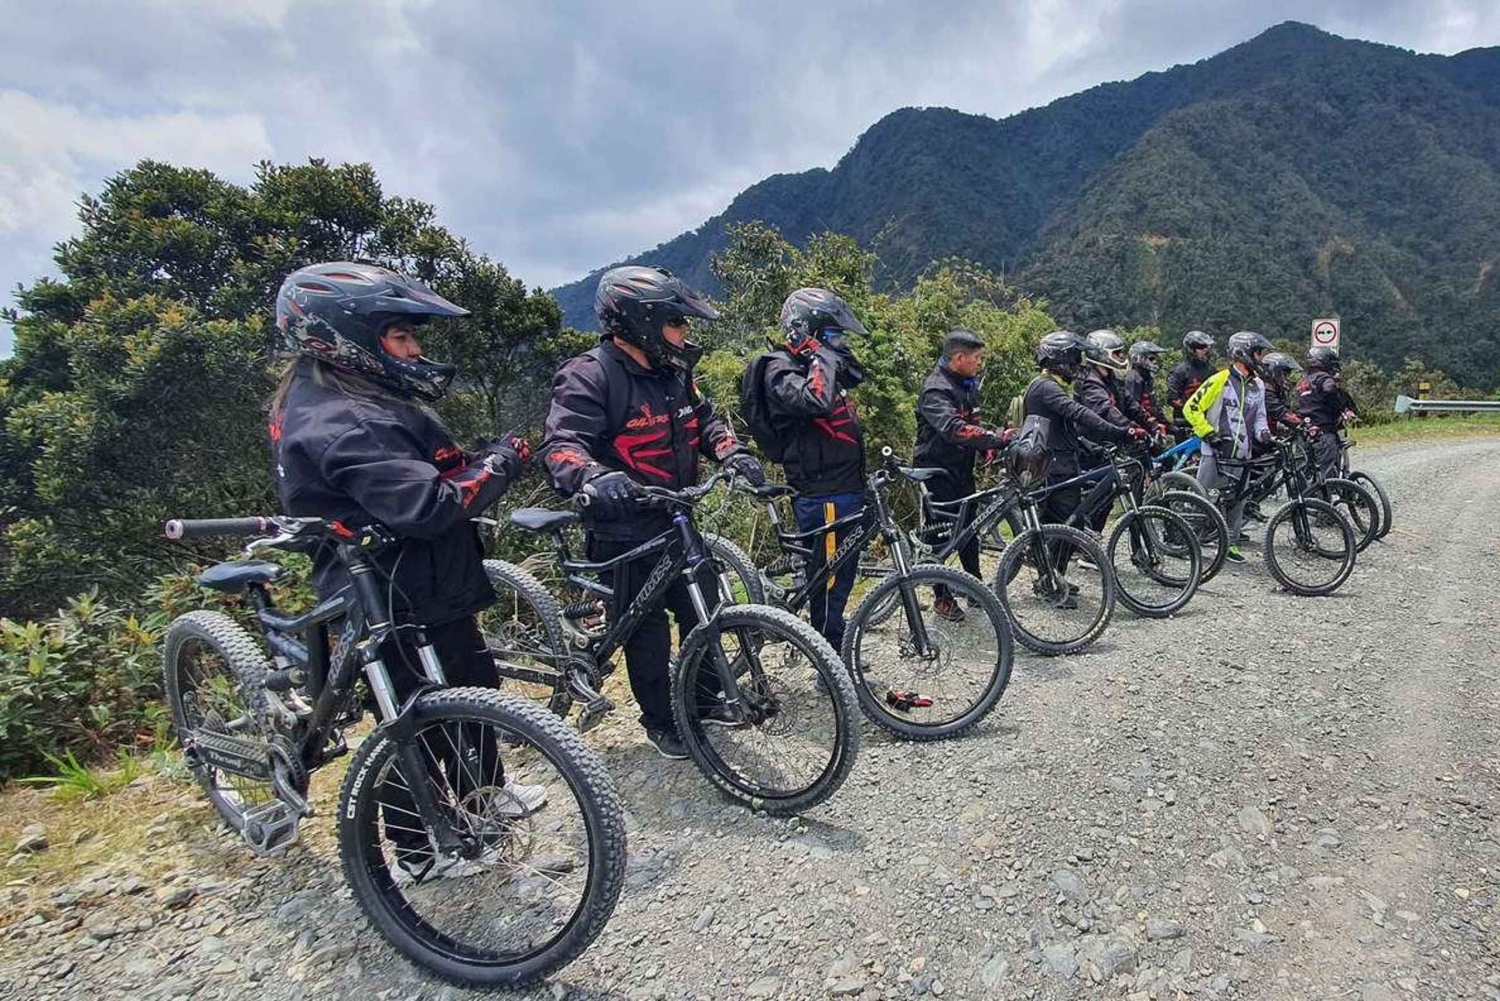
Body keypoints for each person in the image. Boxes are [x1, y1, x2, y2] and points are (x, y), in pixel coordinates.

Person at [270, 261, 542, 880]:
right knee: (407, 721)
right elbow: (429, 503)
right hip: (389, 593)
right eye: (400, 336)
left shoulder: (353, 393)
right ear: (344, 338)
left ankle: (482, 800)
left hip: (429, 583)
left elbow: (424, 470)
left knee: (471, 687)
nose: (415, 349)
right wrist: (501, 460)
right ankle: (419, 849)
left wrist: (474, 462)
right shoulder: (344, 420)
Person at [540, 266, 764, 760]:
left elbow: (705, 421)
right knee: (647, 633)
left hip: (677, 518)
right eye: (676, 322)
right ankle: (661, 721)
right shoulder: (590, 374)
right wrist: (593, 476)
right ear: (641, 321)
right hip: (623, 530)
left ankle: (705, 701)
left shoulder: (674, 371)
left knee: (704, 609)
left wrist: (731, 452)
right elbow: (561, 445)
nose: (685, 332)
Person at [759, 288, 869, 652]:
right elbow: (816, 401)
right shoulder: (779, 369)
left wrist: (825, 351)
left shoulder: (817, 362)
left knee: (842, 574)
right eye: (833, 334)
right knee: (830, 580)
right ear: (806, 331)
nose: (838, 343)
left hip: (845, 485)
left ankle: (832, 636)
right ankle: (828, 656)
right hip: (823, 493)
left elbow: (856, 373)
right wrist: (818, 352)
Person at [1022, 331, 1142, 605]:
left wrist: (1091, 446)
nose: (1078, 365)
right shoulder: (1046, 387)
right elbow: (1079, 413)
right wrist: (1120, 432)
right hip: (1052, 468)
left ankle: (1053, 577)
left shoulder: (1052, 385)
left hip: (1062, 463)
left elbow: (1067, 429)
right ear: (1060, 360)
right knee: (1066, 526)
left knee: (1067, 526)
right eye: (1075, 359)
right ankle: (1050, 584)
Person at [913, 329, 1011, 620]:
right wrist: (995, 438)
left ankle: (974, 586)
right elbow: (954, 429)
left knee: (969, 531)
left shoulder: (968, 384)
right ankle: (941, 597)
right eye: (976, 358)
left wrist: (987, 448)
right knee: (940, 536)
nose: (980, 363)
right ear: (958, 358)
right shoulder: (935, 390)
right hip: (936, 473)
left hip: (962, 470)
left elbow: (974, 421)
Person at [1182, 330, 1274, 563]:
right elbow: (1191, 408)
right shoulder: (1219, 379)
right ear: (1244, 354)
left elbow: (1260, 416)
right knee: (1202, 497)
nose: (1261, 359)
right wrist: (1207, 433)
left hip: (1243, 454)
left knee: (1237, 501)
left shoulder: (1258, 385)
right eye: (1258, 353)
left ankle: (1230, 544)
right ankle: (1185, 540)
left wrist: (1265, 434)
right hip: (1215, 452)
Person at [1296, 346, 1356, 477]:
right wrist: (1342, 409)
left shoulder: (1302, 382)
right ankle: (1327, 491)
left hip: (1304, 431)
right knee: (1326, 473)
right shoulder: (1325, 378)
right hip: (1323, 431)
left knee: (1303, 472)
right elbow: (1329, 390)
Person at [1166, 330, 1217, 440]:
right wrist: (1193, 409)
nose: (1205, 350)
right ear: (1191, 349)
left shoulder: (1211, 370)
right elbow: (1172, 399)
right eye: (1201, 347)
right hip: (1184, 424)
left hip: (1207, 423)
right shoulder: (1179, 371)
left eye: (1207, 347)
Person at [1123, 340, 1169, 428]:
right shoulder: (1133, 378)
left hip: (1149, 423)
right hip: (1140, 426)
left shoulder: (1146, 378)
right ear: (1139, 358)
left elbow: (1153, 405)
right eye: (1151, 359)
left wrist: (1168, 425)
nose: (1154, 362)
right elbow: (1133, 408)